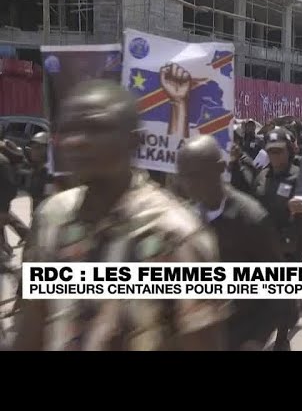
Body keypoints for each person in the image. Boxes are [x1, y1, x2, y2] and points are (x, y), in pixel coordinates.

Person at [13, 79, 230, 351]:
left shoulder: (175, 236)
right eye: (68, 130)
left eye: (97, 128)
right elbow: (34, 325)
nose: (77, 141)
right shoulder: (52, 217)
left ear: (134, 141)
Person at [177, 135, 285, 351]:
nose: (189, 184)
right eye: (184, 176)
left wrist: (258, 338)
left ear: (220, 168)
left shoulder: (251, 219)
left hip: (240, 336)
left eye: (197, 175)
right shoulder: (183, 220)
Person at [235, 127, 302, 351]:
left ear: (290, 151)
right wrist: (235, 164)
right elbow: (247, 196)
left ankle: (282, 340)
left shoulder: (299, 176)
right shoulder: (262, 175)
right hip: (264, 243)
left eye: (279, 151)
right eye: (271, 152)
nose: (275, 156)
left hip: (291, 244)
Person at [23, 132, 53, 216]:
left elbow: (48, 200)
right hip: (36, 217)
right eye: (32, 148)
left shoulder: (50, 173)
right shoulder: (34, 170)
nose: (34, 151)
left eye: (38, 148)